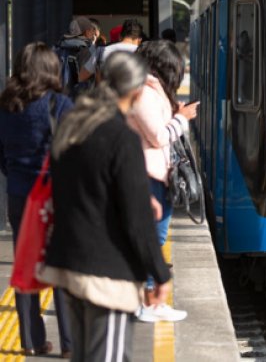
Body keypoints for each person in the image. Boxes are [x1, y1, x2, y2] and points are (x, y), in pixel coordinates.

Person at [39, 52, 172, 362]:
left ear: (101, 79)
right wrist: (160, 273)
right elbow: (137, 219)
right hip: (107, 273)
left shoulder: (73, 124)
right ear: (137, 91)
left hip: (70, 264)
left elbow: (79, 188)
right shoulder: (122, 139)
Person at [0, 42, 73, 357]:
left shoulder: (6, 106)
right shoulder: (60, 105)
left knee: (26, 262)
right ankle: (70, 343)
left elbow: (1, 155)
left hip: (19, 195)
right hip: (56, 195)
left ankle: (30, 341)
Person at [128, 40, 198, 322]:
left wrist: (174, 114)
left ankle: (151, 301)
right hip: (147, 175)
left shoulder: (150, 90)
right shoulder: (143, 92)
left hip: (155, 173)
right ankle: (148, 302)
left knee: (154, 238)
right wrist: (181, 119)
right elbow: (157, 136)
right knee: (152, 239)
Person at [56, 16, 99, 97]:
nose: (93, 32)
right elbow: (84, 78)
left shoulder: (59, 47)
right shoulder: (85, 50)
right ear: (86, 32)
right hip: (78, 100)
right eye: (91, 30)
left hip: (59, 97)